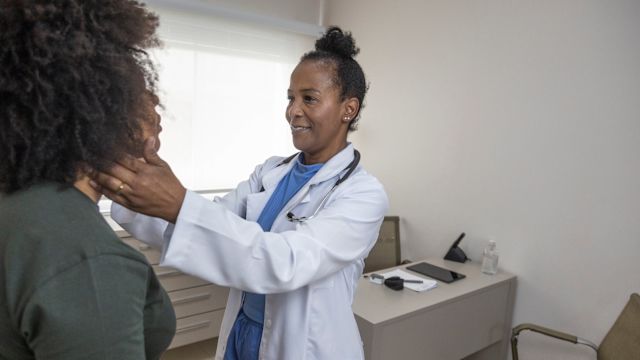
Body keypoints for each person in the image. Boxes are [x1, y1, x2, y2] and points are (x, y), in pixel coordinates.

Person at [94, 26, 388, 360]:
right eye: (290, 98)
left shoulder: (363, 194)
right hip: (244, 333)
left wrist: (179, 204)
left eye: (309, 98)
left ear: (348, 109)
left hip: (305, 348)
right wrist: (131, 177)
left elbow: (285, 261)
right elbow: (209, 223)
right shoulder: (271, 171)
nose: (293, 111)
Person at [0, 1, 175, 359]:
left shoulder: (19, 201)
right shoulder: (85, 257)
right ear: (98, 101)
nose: (155, 102)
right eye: (139, 88)